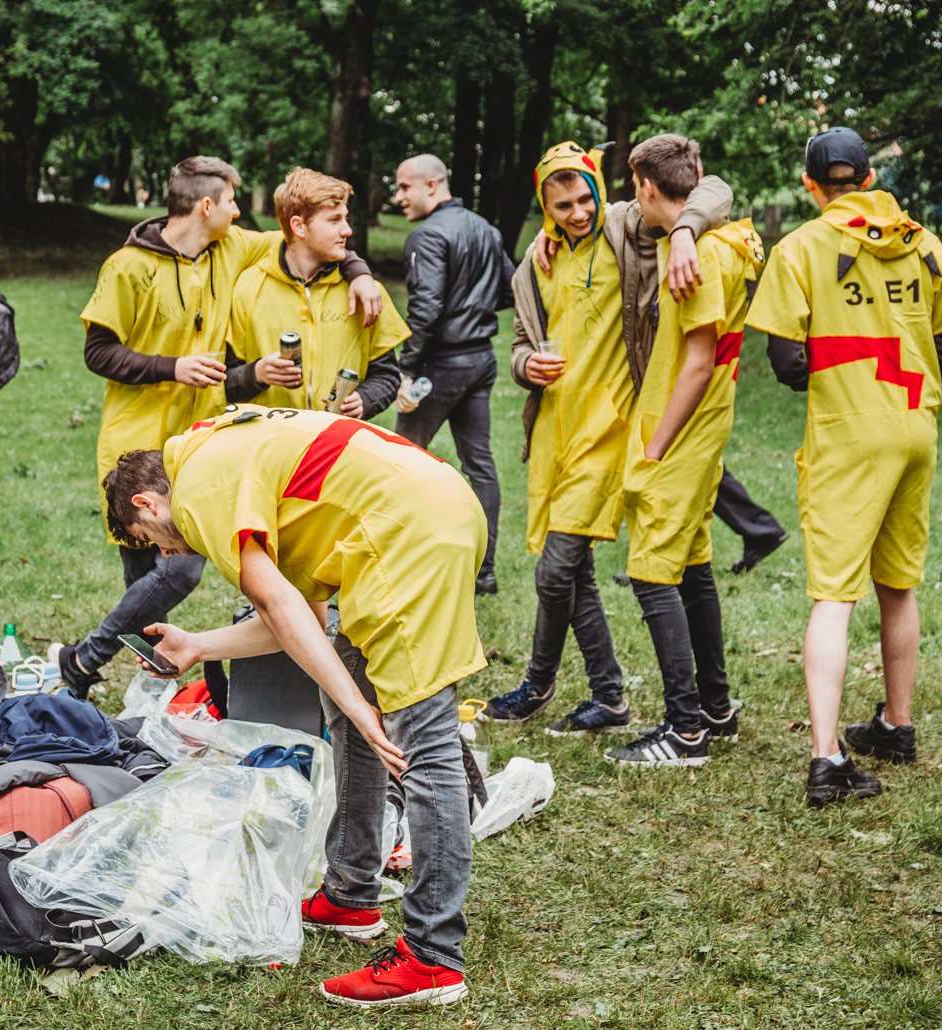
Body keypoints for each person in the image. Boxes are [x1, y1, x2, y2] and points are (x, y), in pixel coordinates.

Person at [105, 406, 485, 1006]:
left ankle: (433, 958)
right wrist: (199, 647)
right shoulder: (216, 452)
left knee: (419, 742)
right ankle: (350, 892)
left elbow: (280, 607)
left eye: (152, 542)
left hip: (406, 531)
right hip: (406, 515)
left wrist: (363, 708)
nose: (168, 555)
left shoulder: (202, 487)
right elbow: (297, 619)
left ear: (147, 506)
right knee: (348, 702)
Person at [54, 156, 383, 697]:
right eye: (232, 201)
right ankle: (132, 676)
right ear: (206, 205)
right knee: (149, 575)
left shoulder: (231, 247)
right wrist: (172, 367)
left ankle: (88, 661)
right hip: (135, 442)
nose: (239, 211)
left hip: (200, 443)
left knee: (179, 570)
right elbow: (97, 351)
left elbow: (309, 240)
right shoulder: (127, 266)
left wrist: (360, 271)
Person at [745, 127, 942, 805]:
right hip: (916, 429)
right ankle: (896, 725)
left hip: (849, 436)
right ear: (870, 179)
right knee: (898, 582)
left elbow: (786, 362)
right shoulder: (922, 241)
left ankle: (826, 760)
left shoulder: (801, 248)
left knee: (833, 595)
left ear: (811, 185)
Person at [485, 141, 730, 734]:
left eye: (585, 197)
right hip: (554, 436)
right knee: (577, 573)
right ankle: (609, 697)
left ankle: (538, 683)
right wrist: (525, 368)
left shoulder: (627, 230)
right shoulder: (532, 264)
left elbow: (712, 188)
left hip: (611, 429)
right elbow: (520, 340)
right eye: (563, 204)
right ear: (544, 207)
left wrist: (688, 235)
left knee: (555, 570)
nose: (578, 213)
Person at [601, 135, 763, 767]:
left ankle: (684, 729)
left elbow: (695, 364)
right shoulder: (727, 238)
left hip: (681, 431)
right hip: (708, 427)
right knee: (693, 565)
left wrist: (655, 448)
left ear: (645, 186)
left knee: (650, 572)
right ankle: (716, 707)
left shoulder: (691, 258)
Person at [389, 154, 514, 595]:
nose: (397, 196)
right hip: (481, 359)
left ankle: (396, 562)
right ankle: (485, 572)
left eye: (404, 187)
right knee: (479, 464)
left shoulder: (428, 234)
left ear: (431, 184)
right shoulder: (487, 229)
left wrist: (406, 370)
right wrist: (472, 310)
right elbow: (507, 289)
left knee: (399, 460)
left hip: (439, 366)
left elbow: (424, 309)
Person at [226, 167, 406, 420]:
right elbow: (224, 384)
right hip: (270, 447)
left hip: (336, 443)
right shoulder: (248, 288)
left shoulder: (367, 291)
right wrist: (256, 374)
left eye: (345, 218)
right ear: (299, 226)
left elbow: (387, 375)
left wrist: (365, 400)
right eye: (334, 220)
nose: (347, 230)